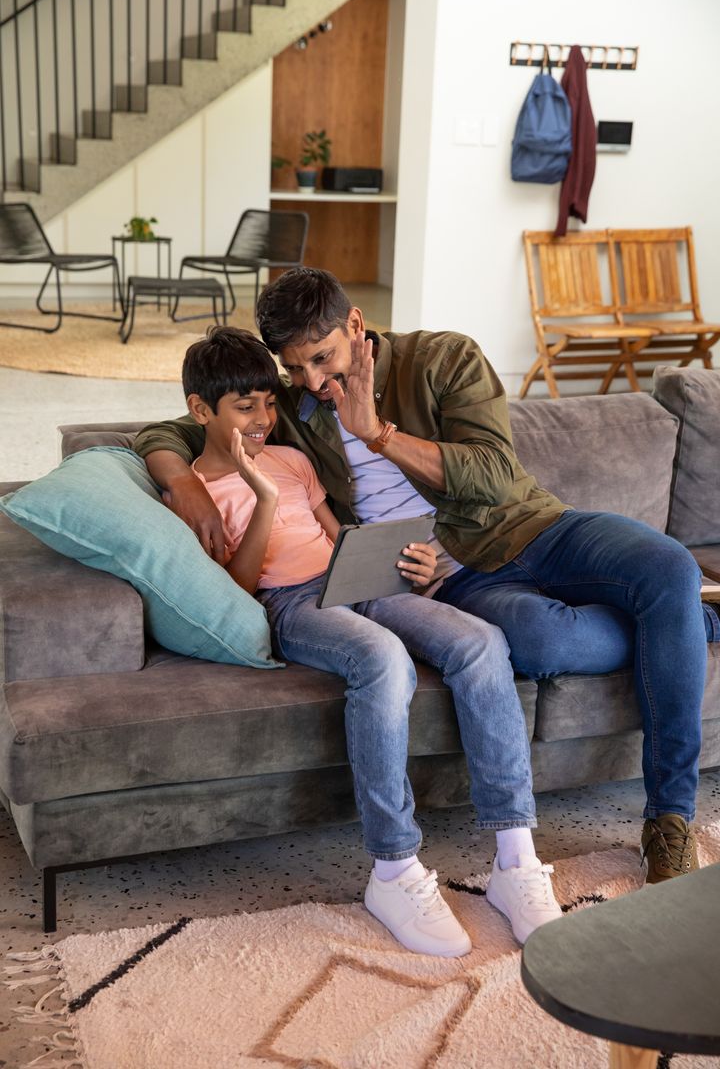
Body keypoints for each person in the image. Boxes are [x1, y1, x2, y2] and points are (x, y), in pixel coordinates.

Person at [134, 268, 720, 886]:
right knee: (545, 644)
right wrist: (178, 481)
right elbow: (176, 428)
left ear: (355, 325)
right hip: (456, 582)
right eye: (295, 368)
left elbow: (494, 472)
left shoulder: (445, 358)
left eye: (324, 359)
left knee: (668, 566)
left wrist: (378, 435)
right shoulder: (298, 404)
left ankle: (669, 817)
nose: (312, 381)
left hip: (534, 528)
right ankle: (687, 620)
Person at [169, 326, 562, 957]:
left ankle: (515, 859)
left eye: (270, 403)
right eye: (246, 408)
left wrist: (400, 564)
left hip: (352, 580)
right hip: (289, 602)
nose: (264, 419)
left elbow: (338, 534)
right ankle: (393, 868)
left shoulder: (294, 459)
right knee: (383, 658)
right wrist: (263, 495)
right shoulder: (193, 494)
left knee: (482, 641)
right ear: (200, 410)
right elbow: (238, 588)